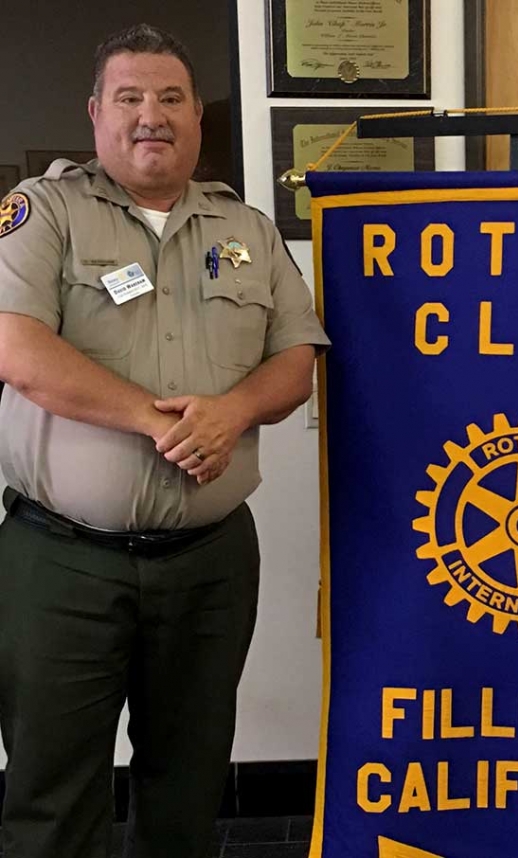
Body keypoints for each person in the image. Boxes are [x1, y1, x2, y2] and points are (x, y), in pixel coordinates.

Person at [0, 23, 329, 858]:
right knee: (52, 784)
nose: (153, 116)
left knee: (187, 778)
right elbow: (22, 355)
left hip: (208, 562)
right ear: (96, 113)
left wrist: (232, 412)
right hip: (64, 561)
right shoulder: (46, 213)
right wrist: (161, 421)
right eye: (131, 98)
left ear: (196, 117)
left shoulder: (246, 228)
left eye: (172, 98)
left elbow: (297, 360)